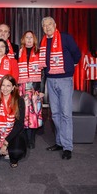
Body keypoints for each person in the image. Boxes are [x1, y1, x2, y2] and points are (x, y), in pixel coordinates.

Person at [40, 16, 81, 160]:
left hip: (64, 79)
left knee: (65, 114)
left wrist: (70, 67)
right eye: (44, 25)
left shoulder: (65, 38)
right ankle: (59, 142)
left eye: (50, 24)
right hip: (51, 80)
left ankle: (67, 147)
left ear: (55, 25)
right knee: (55, 114)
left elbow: (77, 54)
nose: (47, 27)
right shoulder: (43, 42)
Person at [0, 75, 26, 172]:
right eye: (3, 85)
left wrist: (6, 142)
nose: (5, 88)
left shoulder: (19, 100)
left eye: (8, 86)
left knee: (17, 152)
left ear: (13, 87)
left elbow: (19, 124)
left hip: (13, 131)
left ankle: (13, 157)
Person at [18, 31, 45, 149]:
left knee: (34, 115)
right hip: (22, 89)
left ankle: (31, 139)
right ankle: (24, 138)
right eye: (26, 37)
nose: (29, 40)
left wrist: (42, 90)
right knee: (23, 114)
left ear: (34, 40)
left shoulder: (39, 53)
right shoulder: (18, 53)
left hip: (34, 89)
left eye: (31, 37)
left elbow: (43, 74)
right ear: (23, 39)